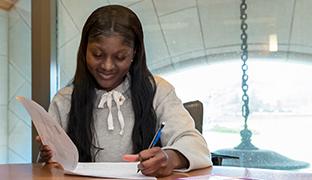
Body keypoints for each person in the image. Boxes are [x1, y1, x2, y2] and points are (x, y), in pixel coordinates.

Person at [36, 4, 212, 177]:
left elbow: (196, 145)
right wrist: (48, 156)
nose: (107, 66)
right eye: (97, 54)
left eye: (120, 57)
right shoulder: (65, 100)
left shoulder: (157, 91)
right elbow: (48, 169)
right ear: (84, 50)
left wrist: (170, 157)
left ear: (134, 53)